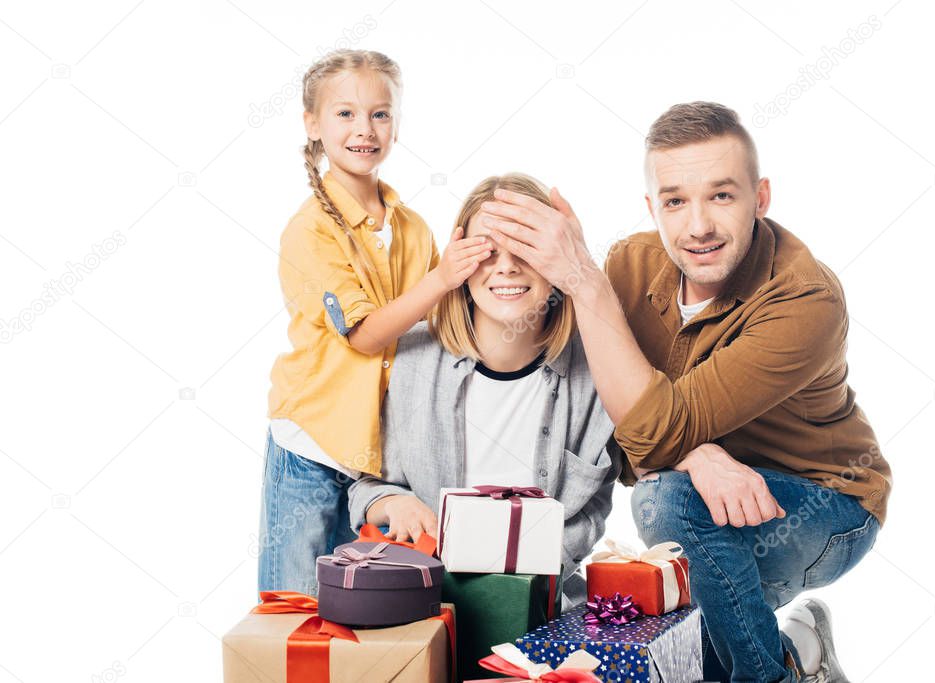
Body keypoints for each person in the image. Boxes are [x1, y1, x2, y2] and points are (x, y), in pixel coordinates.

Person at [481, 102, 893, 682]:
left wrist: (582, 282)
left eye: (721, 196)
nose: (697, 226)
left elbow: (650, 435)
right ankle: (801, 651)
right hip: (707, 509)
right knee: (665, 655)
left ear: (761, 198)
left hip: (824, 506)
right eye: (675, 201)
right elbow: (615, 427)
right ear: (653, 207)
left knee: (665, 501)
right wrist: (697, 454)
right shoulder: (630, 264)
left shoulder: (806, 299)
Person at [258, 49, 494, 598]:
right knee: (295, 605)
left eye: (380, 114)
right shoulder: (311, 231)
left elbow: (437, 331)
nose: (364, 129)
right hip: (314, 446)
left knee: (368, 608)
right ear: (312, 124)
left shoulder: (412, 227)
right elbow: (365, 336)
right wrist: (442, 278)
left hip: (383, 462)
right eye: (345, 114)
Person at [348, 173, 621, 605]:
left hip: (547, 603)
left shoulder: (600, 367)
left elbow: (593, 507)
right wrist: (395, 505)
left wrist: (522, 588)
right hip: (428, 601)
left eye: (526, 250)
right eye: (487, 251)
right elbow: (368, 488)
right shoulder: (411, 360)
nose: (507, 267)